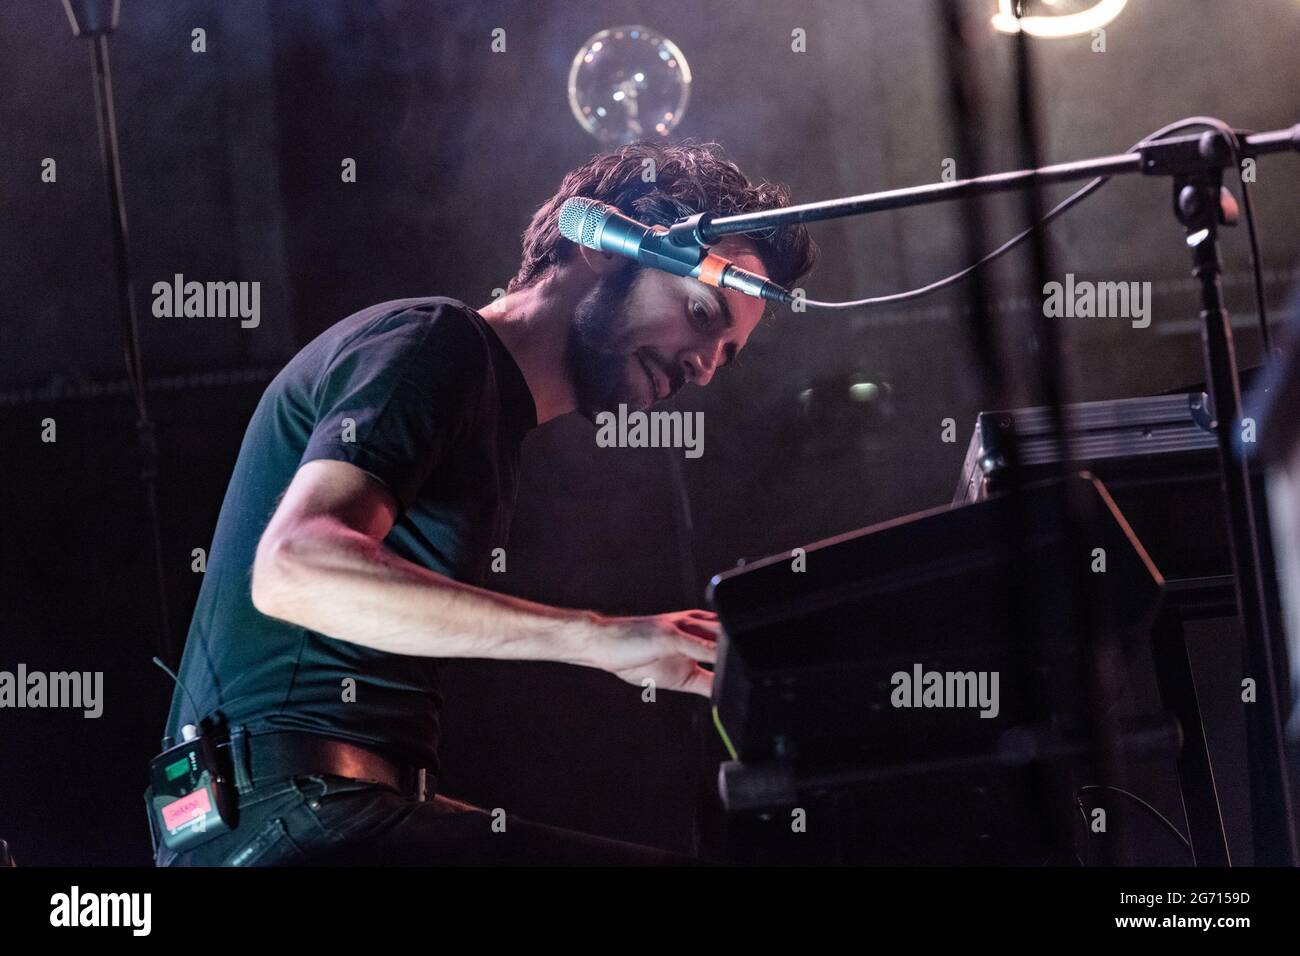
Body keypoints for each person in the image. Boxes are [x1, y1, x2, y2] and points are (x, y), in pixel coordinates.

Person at [153, 140, 817, 865]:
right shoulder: (436, 346)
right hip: (285, 821)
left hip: (311, 815)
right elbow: (294, 567)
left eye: (726, 352)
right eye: (701, 311)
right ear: (603, 246)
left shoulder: (492, 420)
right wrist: (598, 638)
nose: (704, 367)